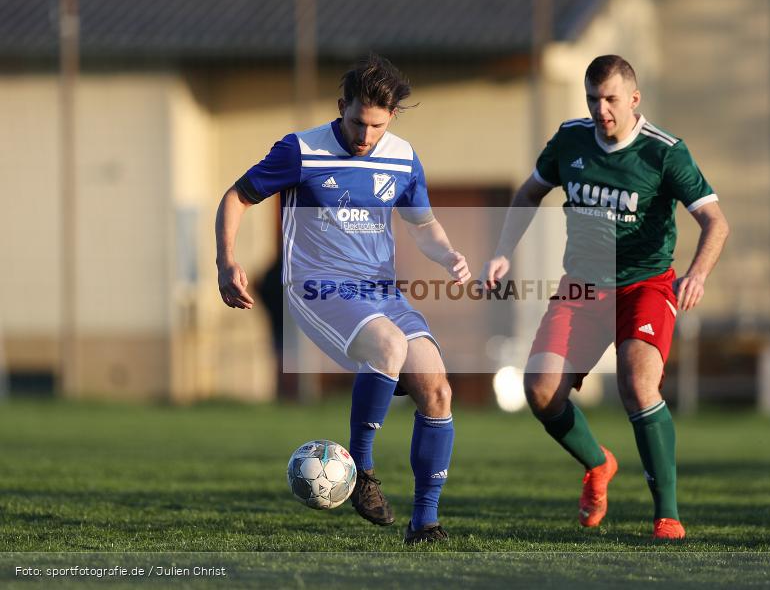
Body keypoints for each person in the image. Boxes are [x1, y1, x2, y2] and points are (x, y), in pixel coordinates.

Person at [215, 54, 470, 544]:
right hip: (317, 286)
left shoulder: (402, 156)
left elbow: (424, 225)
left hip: (380, 291)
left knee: (437, 390)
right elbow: (236, 197)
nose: (364, 135)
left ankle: (425, 523)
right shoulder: (301, 150)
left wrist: (448, 255)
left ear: (391, 117)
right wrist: (227, 261)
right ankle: (363, 474)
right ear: (341, 107)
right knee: (389, 347)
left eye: (376, 125)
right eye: (357, 122)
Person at [481, 55, 729, 540]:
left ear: (634, 99)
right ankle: (598, 464)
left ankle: (668, 515)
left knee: (638, 386)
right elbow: (529, 193)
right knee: (540, 391)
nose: (601, 109)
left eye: (611, 99)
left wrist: (697, 274)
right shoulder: (570, 139)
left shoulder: (664, 153)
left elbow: (716, 221)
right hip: (582, 286)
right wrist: (502, 252)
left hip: (645, 286)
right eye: (593, 98)